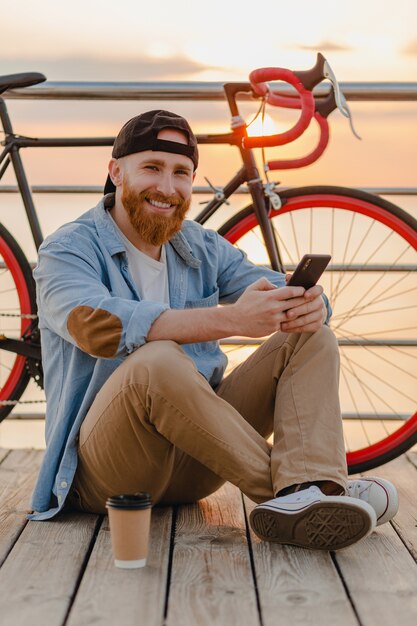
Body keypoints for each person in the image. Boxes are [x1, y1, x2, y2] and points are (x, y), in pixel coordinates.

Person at [29, 109, 398, 551]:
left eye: (181, 173)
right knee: (157, 360)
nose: (167, 188)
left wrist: (311, 305)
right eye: (151, 168)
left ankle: (315, 487)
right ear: (116, 172)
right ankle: (301, 496)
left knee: (311, 336)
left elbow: (276, 287)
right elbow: (99, 328)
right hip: (106, 478)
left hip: (195, 468)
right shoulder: (68, 249)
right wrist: (232, 319)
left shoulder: (199, 244)